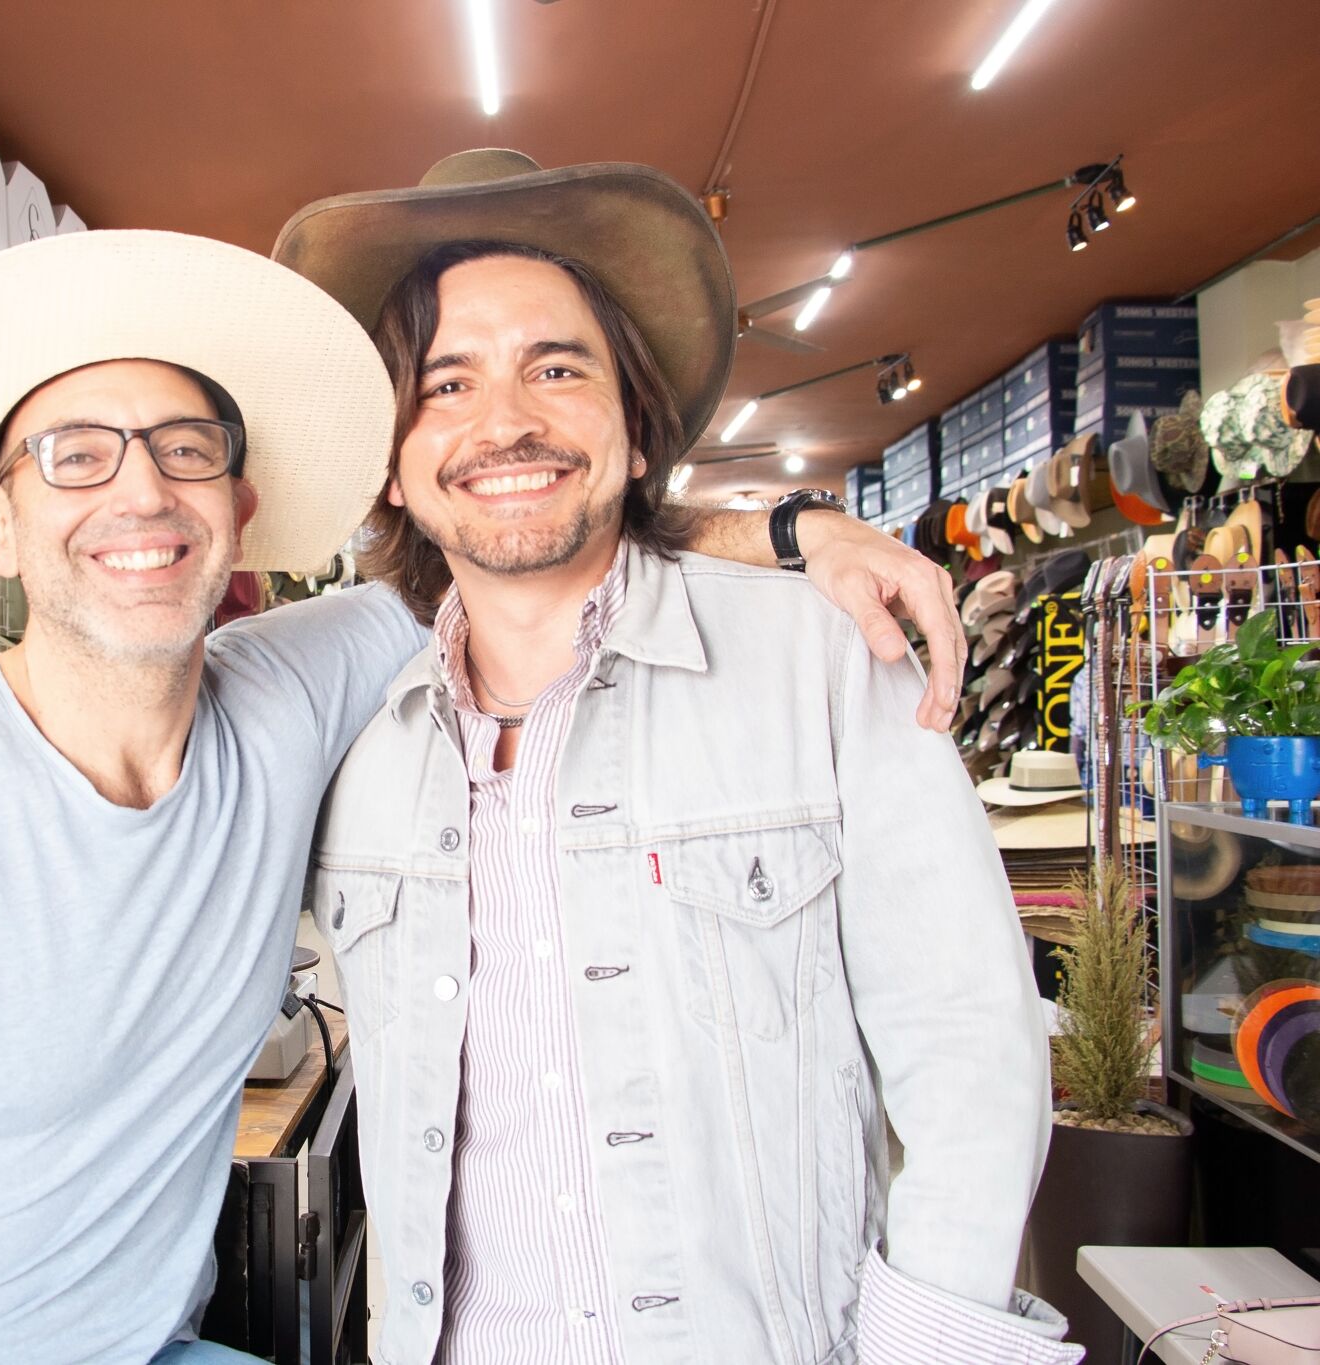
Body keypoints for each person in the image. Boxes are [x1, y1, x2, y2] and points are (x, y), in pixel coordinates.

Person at [0, 228, 968, 1365]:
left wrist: (801, 530)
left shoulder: (288, 697)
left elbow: (520, 520)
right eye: (72, 457)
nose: (138, 492)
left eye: (181, 451)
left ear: (236, 514)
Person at [283, 153, 1075, 1365]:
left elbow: (968, 1052)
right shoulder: (349, 733)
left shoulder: (819, 662)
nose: (505, 420)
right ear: (390, 464)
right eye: (445, 384)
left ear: (635, 429)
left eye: (556, 368)